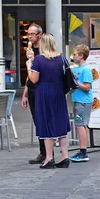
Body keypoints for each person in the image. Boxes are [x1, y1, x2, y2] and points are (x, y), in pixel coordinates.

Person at [26, 34, 71, 169]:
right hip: (58, 93)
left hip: (44, 93)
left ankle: (49, 158)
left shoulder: (39, 59)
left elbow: (34, 79)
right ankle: (65, 156)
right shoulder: (61, 58)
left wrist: (29, 66)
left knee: (46, 123)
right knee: (60, 123)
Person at [21, 24, 46, 165]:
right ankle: (43, 151)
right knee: (37, 120)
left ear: (40, 35)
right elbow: (29, 74)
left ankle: (47, 152)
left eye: (32, 34)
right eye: (28, 34)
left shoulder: (43, 50)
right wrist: (24, 94)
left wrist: (33, 58)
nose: (30, 36)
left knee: (43, 120)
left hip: (41, 89)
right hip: (31, 89)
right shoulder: (30, 50)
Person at [70, 44, 93, 163]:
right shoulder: (76, 69)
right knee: (81, 124)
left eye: (75, 54)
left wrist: (76, 82)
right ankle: (83, 149)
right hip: (78, 101)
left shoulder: (86, 70)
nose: (73, 56)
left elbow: (87, 87)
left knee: (80, 125)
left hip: (83, 102)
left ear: (81, 56)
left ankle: (83, 152)